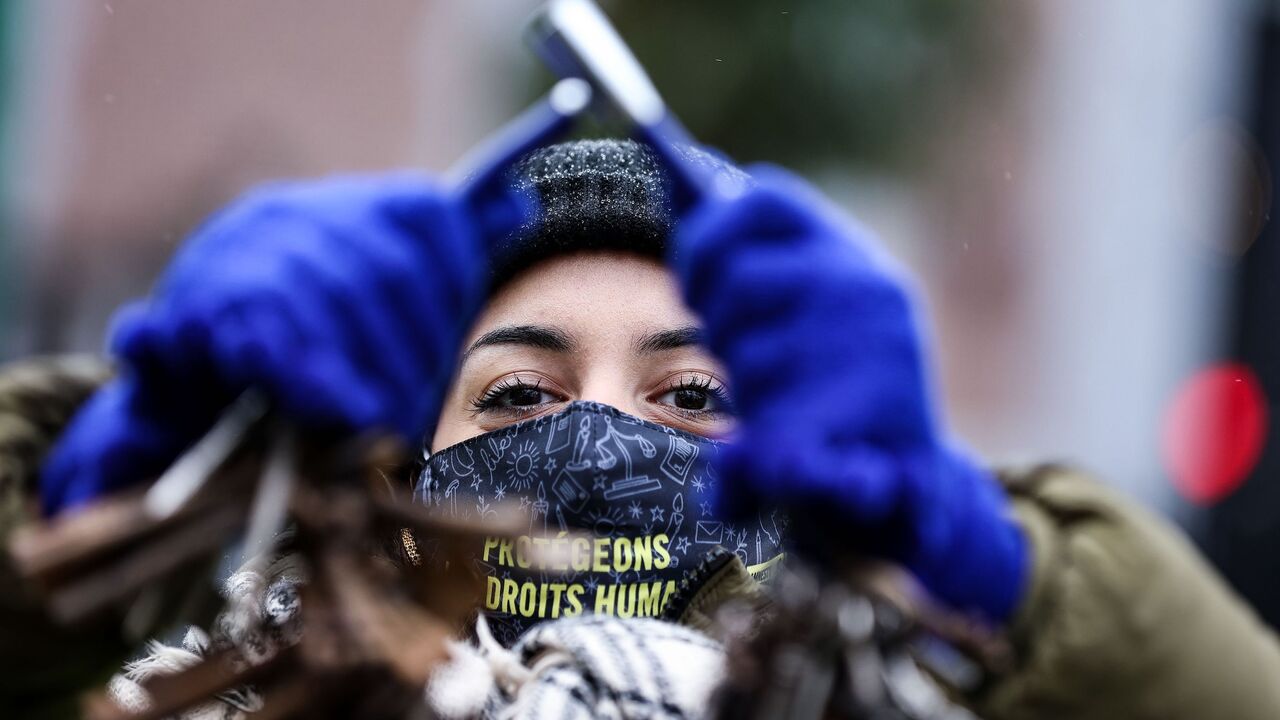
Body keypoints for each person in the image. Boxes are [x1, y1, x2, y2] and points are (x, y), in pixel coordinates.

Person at [3, 138, 1280, 719]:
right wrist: (98, 506)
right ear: (400, 460)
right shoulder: (210, 698)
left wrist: (1015, 583)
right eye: (520, 394)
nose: (604, 430)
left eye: (692, 396)